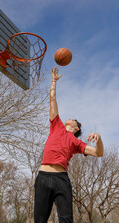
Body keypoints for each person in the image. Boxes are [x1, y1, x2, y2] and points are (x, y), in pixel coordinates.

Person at [34, 67, 104, 223]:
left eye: (73, 119)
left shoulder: (76, 142)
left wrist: (99, 139)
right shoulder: (56, 125)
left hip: (61, 179)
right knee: (39, 220)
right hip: (43, 177)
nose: (69, 118)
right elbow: (52, 99)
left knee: (66, 220)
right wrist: (53, 81)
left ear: (76, 127)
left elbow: (98, 153)